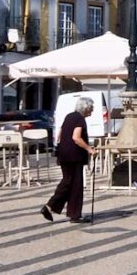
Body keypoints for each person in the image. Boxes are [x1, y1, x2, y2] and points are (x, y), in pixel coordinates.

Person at [42, 96, 97, 224]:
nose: (92, 111)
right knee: (73, 184)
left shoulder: (69, 116)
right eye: (91, 108)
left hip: (64, 154)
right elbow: (76, 137)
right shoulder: (79, 119)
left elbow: (60, 134)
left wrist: (61, 147)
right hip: (74, 156)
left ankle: (73, 214)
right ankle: (50, 207)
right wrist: (89, 149)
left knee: (69, 183)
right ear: (86, 108)